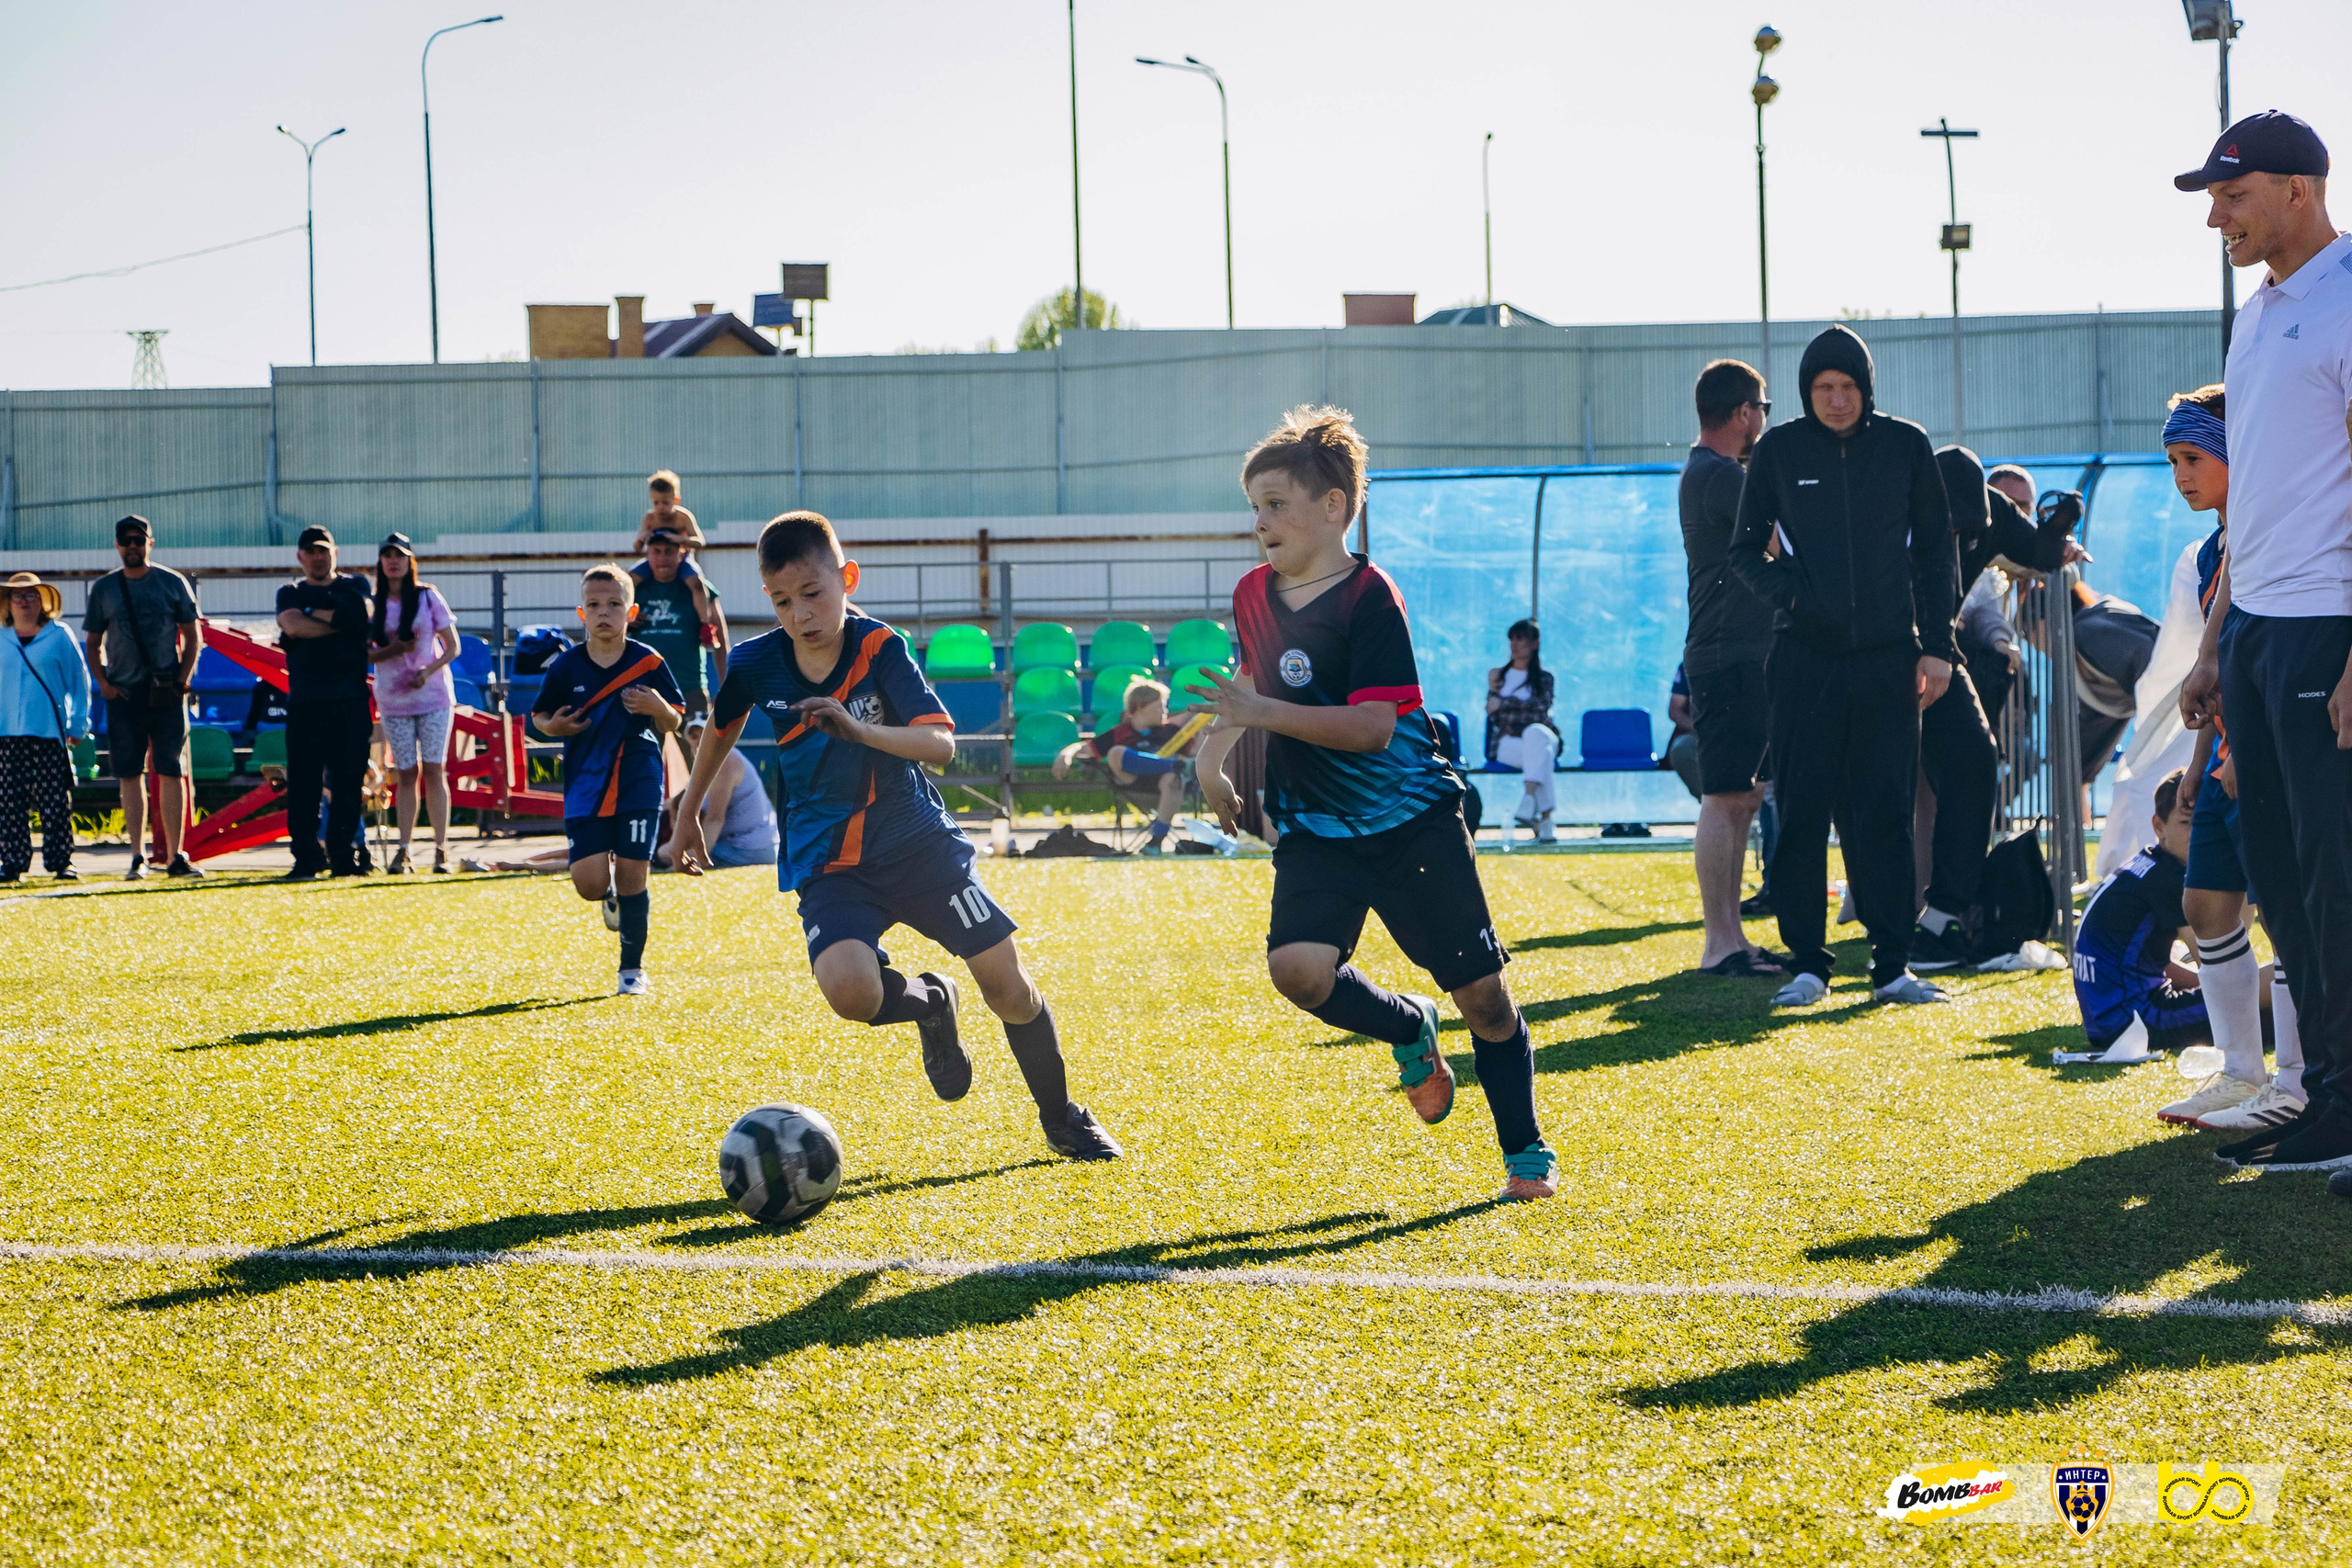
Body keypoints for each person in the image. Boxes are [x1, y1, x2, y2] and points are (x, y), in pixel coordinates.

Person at [673, 512, 1122, 1161]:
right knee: (850, 992)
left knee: (1008, 986)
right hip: (830, 861)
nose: (800, 613)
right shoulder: (755, 663)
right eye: (781, 601)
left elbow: (939, 744)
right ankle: (931, 1004)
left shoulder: (878, 648)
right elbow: (722, 723)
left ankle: (1062, 1116)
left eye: (813, 593)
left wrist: (860, 731)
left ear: (846, 577)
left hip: (920, 849)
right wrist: (688, 811)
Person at [1192, 406, 1555, 1201]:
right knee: (1296, 968)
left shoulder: (1370, 596)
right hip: (1316, 826)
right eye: (1254, 505)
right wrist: (1212, 758)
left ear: (1334, 508)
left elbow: (1369, 727)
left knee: (1485, 999)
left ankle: (1524, 1149)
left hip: (1410, 821)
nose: (1260, 522)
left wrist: (1262, 720)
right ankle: (1408, 1027)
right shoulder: (1252, 592)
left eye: (1276, 503)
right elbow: (1251, 686)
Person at [2177, 110, 2352, 1174]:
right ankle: (2324, 1100)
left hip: (2327, 630)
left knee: (2340, 883)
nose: (2216, 217)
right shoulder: (2256, 318)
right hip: (2255, 634)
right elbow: (2256, 502)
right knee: (2284, 882)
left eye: (2231, 195)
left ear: (2297, 190)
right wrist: (2210, 644)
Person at [1727, 325, 1959, 1008]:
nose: (1836, 400)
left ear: (1866, 389)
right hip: (1805, 661)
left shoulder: (1906, 445)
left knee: (1885, 810)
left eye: (1847, 387)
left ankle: (1892, 965)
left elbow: (1936, 555)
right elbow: (1742, 551)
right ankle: (1809, 965)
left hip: (1890, 659)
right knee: (1801, 811)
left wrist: (1938, 646)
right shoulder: (1779, 449)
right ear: (1807, 393)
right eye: (1824, 388)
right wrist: (1795, 595)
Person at [2154, 388, 2311, 1136]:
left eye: (2194, 458)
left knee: (2288, 913)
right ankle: (2240, 1071)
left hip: (2262, 752)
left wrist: (2245, 750)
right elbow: (2212, 670)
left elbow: (2267, 659)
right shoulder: (2213, 550)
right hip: (2221, 754)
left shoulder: (2278, 534)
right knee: (2206, 904)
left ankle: (2301, 1077)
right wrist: (2196, 759)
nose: (2182, 475)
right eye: (2173, 461)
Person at [1910, 447, 2086, 970]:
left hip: (1940, 651)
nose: (1963, 540)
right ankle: (1862, 929)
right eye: (1952, 529)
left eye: (1973, 529)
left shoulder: (1994, 512)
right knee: (1876, 791)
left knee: (1975, 761)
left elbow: (2037, 550)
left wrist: (2061, 532)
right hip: (1872, 654)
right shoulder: (1893, 508)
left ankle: (1940, 920)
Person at [530, 566, 685, 995]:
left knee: (635, 874)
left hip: (639, 780)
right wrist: (555, 728)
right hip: (585, 786)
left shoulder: (649, 661)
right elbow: (540, 717)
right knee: (590, 884)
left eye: (614, 604)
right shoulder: (566, 666)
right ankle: (610, 896)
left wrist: (657, 707)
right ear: (581, 612)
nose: (604, 613)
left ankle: (631, 971)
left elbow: (675, 719)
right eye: (595, 605)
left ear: (631, 611)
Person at [1679, 358, 1781, 976]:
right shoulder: (1719, 474)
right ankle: (1720, 942)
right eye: (1762, 409)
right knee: (1724, 798)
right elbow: (1778, 540)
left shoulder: (1713, 472)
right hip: (1728, 658)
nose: (1764, 420)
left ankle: (1733, 938)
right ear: (1744, 413)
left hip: (1741, 657)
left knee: (1744, 797)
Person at [83, 514, 204, 880]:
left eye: (139, 540)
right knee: (129, 774)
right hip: (124, 693)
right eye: (126, 541)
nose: (133, 546)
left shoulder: (172, 582)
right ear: (117, 545)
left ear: (151, 543)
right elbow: (92, 642)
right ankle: (137, 855)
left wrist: (182, 680)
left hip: (166, 692)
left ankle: (175, 856)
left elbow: (192, 635)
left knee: (171, 771)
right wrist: (103, 684)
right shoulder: (105, 589)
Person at [2072, 767, 2210, 1055]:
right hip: (2136, 1022)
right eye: (2188, 823)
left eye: (2209, 823)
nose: (2201, 835)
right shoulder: (2168, 879)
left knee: (2265, 996)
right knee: (2274, 1004)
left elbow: (2148, 962)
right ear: (2158, 826)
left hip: (2108, 1022)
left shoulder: (2147, 863)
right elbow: (2223, 969)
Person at [275, 526, 376, 879]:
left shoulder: (356, 585)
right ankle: (306, 859)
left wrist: (311, 618)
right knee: (303, 784)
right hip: (305, 701)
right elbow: (292, 625)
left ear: (335, 552)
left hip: (349, 700)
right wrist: (341, 623)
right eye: (311, 551)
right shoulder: (288, 591)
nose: (318, 557)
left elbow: (362, 615)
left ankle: (343, 857)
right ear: (300, 556)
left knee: (348, 784)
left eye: (324, 550)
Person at [367, 534, 459, 874]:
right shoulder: (372, 602)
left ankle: (440, 848)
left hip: (432, 696)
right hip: (393, 698)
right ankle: (403, 848)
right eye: (388, 556)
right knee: (406, 773)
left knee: (434, 770)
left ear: (410, 561)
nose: (394, 562)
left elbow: (452, 646)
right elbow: (365, 652)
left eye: (400, 556)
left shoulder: (427, 596)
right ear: (381, 562)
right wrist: (394, 651)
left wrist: (428, 671)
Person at [0, 573, 90, 883]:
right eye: (17, 596)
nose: (24, 601)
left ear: (42, 602)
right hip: (7, 731)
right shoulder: (1, 637)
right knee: (9, 800)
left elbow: (79, 682)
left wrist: (78, 722)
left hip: (50, 729)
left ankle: (61, 860)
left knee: (54, 800)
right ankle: (12, 861)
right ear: (8, 604)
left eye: (31, 595)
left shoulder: (59, 635)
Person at [1052, 678, 1197, 853]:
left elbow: (1196, 750)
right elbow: (1083, 748)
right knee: (1116, 753)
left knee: (1174, 778)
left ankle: (1156, 841)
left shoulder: (1170, 732)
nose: (1165, 712)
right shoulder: (1121, 732)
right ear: (1140, 709)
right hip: (1133, 783)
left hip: (1165, 786)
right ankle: (1175, 765)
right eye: (1159, 707)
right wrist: (1065, 755)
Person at [655, 715, 778, 870]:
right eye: (694, 736)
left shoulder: (725, 762)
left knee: (664, 853)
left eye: (705, 734)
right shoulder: (706, 765)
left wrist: (699, 860)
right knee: (664, 851)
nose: (700, 740)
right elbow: (678, 801)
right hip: (741, 843)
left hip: (751, 848)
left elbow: (715, 819)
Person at [632, 526, 729, 716]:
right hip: (644, 691)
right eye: (656, 552)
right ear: (647, 554)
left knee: (694, 745)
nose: (662, 558)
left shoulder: (700, 590)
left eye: (669, 551)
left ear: (681, 554)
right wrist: (626, 622)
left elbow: (722, 642)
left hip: (690, 690)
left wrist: (725, 687)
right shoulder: (634, 590)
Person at [1484, 618, 1560, 844]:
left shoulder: (1545, 678)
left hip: (1541, 737)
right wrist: (1513, 707)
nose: (1515, 644)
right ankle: (1545, 819)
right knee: (1540, 755)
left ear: (1535, 643)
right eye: (1512, 639)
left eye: (1521, 638)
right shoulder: (1498, 676)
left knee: (1535, 733)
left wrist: (1505, 703)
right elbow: (1494, 714)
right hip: (1508, 744)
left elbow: (1539, 711)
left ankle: (1529, 797)